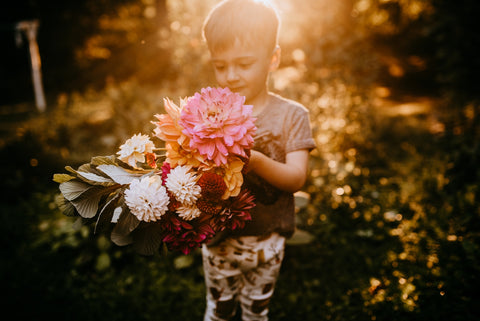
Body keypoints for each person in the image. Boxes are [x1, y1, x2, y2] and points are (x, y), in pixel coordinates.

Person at [201, 0, 316, 320]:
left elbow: (296, 178)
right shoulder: (208, 113)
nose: (230, 76)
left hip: (268, 242)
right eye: (220, 65)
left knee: (256, 311)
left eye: (244, 63)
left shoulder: (292, 116)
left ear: (273, 59)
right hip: (219, 243)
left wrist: (257, 162)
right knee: (218, 310)